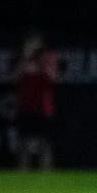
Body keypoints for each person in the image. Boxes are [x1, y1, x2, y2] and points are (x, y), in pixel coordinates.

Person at [13, 30, 57, 170]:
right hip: (25, 106)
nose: (33, 45)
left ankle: (46, 171)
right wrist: (25, 59)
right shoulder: (21, 59)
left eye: (35, 42)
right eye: (30, 41)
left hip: (43, 108)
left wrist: (40, 63)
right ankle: (23, 171)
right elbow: (14, 77)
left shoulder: (48, 58)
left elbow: (52, 77)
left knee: (45, 142)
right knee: (23, 142)